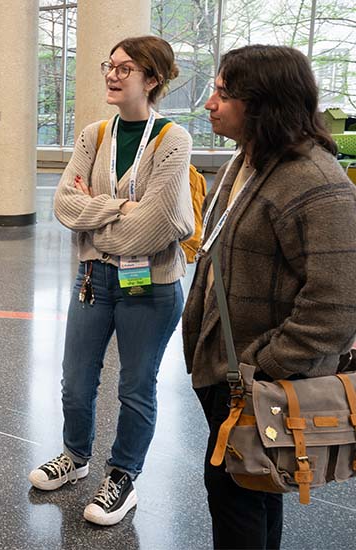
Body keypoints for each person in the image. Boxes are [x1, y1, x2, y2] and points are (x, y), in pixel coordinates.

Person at [183, 45, 356, 549]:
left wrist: (262, 365)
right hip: (231, 371)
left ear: (263, 103)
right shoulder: (249, 161)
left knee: (236, 492)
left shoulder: (314, 182)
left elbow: (338, 303)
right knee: (254, 480)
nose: (210, 103)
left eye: (223, 92)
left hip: (259, 377)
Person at [31, 35, 193, 526]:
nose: (113, 74)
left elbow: (158, 225)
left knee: (135, 387)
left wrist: (94, 215)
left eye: (126, 68)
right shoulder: (94, 135)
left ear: (153, 79)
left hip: (152, 286)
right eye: (110, 64)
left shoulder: (172, 140)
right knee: (76, 383)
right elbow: (63, 205)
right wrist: (123, 208)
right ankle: (76, 459)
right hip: (93, 280)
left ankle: (122, 476)